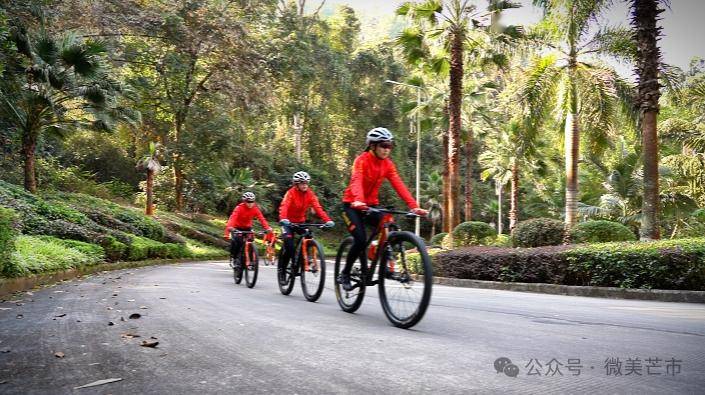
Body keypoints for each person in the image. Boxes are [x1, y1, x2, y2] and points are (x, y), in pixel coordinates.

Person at [338, 127, 428, 291]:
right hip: (351, 205)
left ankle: (386, 265)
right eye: (383, 145)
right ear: (372, 146)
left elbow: (398, 184)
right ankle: (344, 273)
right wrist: (358, 200)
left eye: (389, 146)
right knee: (359, 239)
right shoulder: (361, 160)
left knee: (387, 223)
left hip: (371, 205)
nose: (387, 149)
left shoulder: (388, 165)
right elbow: (356, 180)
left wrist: (414, 206)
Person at [278, 171, 334, 277]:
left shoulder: (310, 194)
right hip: (287, 222)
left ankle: (305, 258)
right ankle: (283, 270)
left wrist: (327, 220)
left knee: (309, 235)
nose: (305, 185)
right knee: (289, 245)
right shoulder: (290, 193)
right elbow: (284, 206)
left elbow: (318, 208)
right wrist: (283, 218)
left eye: (306, 183)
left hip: (300, 222)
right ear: (296, 184)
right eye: (302, 183)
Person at [224, 192, 272, 269]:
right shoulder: (239, 208)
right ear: (244, 201)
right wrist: (230, 227)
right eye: (248, 202)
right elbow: (233, 218)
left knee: (251, 242)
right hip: (237, 227)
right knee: (238, 241)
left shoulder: (255, 208)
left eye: (252, 202)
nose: (250, 204)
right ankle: (235, 258)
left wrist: (267, 228)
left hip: (247, 228)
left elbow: (261, 218)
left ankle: (252, 261)